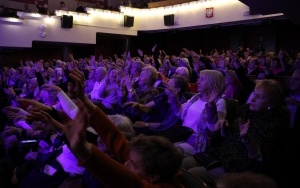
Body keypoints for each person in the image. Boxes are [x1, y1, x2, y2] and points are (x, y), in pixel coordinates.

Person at [40, 68, 185, 187]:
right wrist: (83, 99)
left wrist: (83, 150)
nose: (125, 163)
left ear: (153, 177)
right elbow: (115, 137)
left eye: (132, 164)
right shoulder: (143, 162)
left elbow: (125, 180)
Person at [182, 79, 290, 187]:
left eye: (259, 97)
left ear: (270, 104)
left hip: (238, 168)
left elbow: (259, 157)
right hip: (220, 156)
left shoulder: (276, 122)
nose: (252, 99)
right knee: (182, 164)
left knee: (189, 175)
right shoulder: (246, 109)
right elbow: (225, 136)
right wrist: (224, 127)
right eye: (254, 94)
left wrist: (245, 138)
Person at [166, 69, 226, 154]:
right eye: (198, 79)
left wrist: (210, 105)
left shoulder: (219, 102)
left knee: (167, 152)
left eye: (202, 79)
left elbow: (213, 130)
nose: (197, 82)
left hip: (197, 143)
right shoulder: (196, 97)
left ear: (212, 83)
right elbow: (179, 112)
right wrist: (173, 97)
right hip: (182, 135)